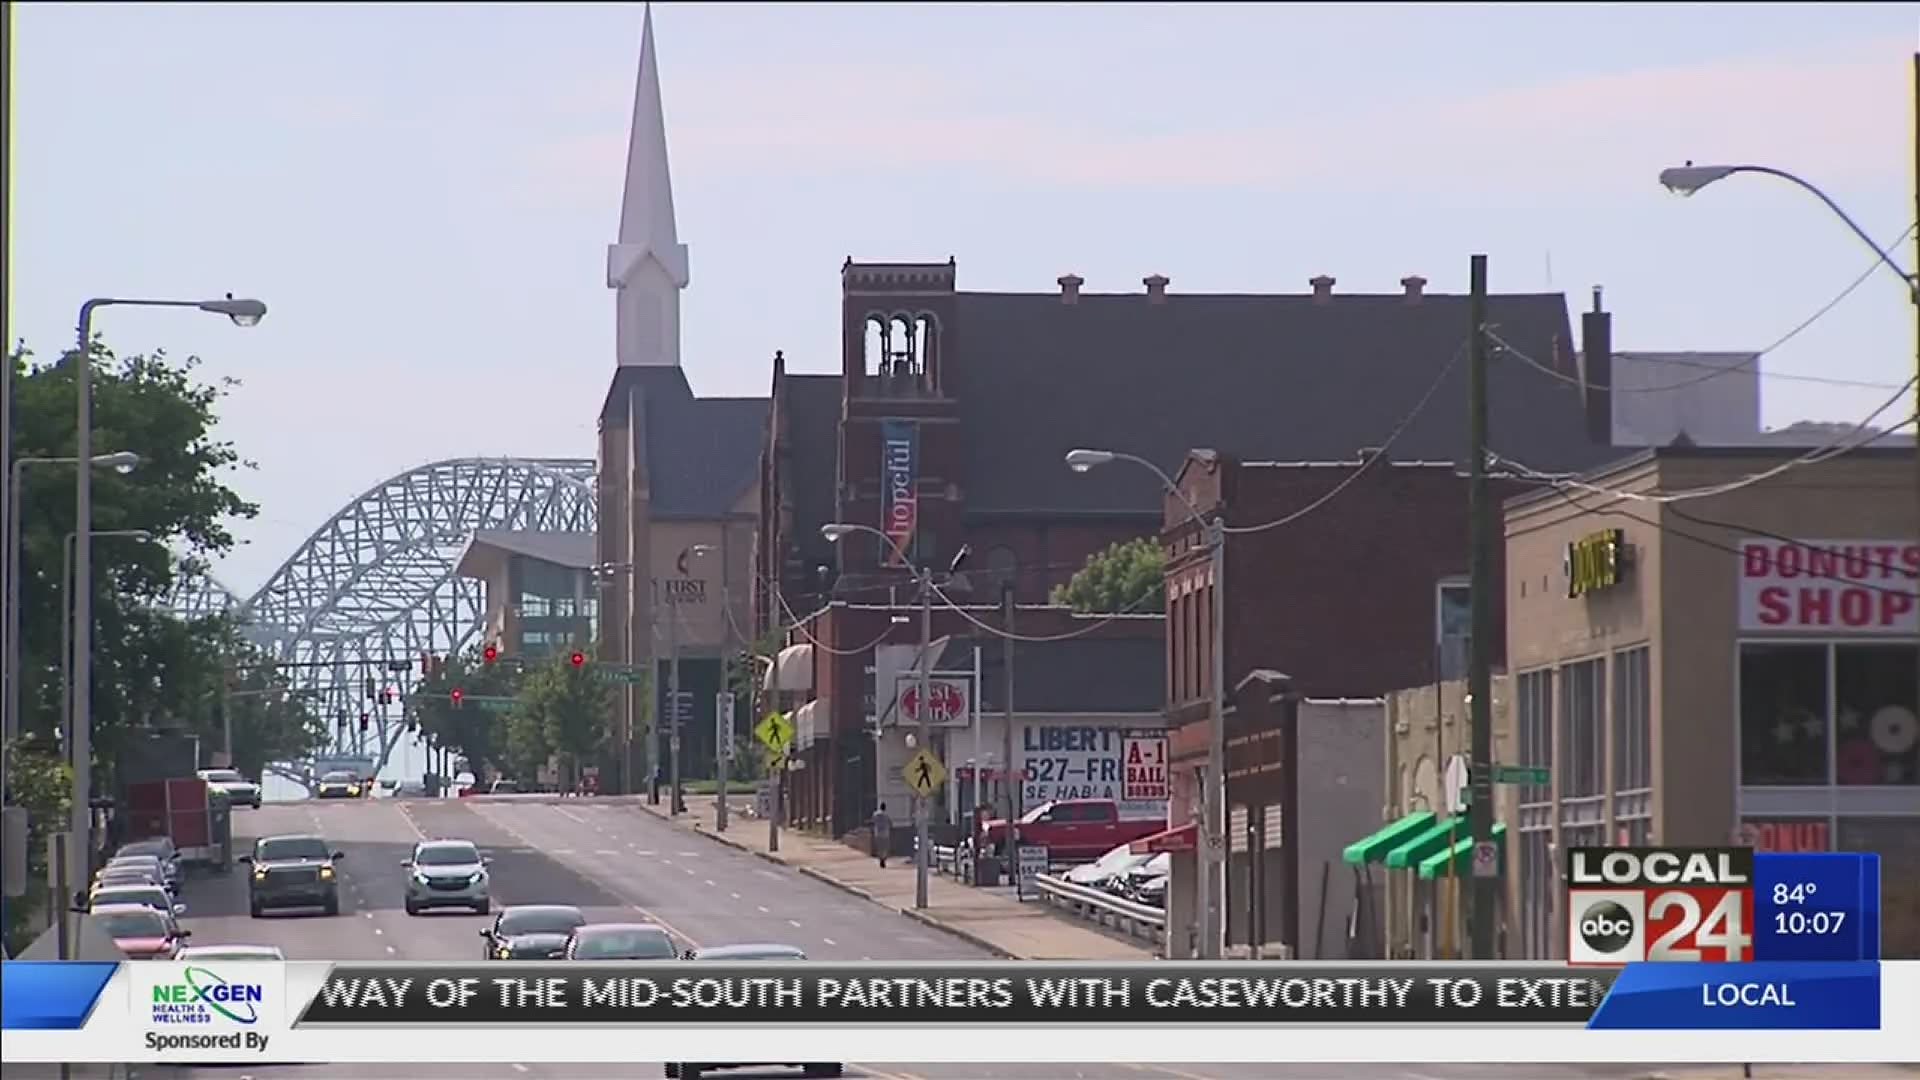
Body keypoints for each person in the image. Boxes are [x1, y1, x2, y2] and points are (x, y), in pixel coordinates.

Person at [871, 803, 893, 868]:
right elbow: (890, 823)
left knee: (879, 848)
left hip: (877, 833)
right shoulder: (886, 815)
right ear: (885, 808)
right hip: (885, 834)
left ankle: (881, 858)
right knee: (885, 848)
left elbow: (873, 822)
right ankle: (883, 858)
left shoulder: (875, 814)